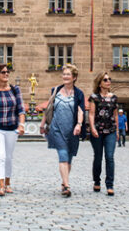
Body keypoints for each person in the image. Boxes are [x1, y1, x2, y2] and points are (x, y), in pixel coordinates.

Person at [40, 64, 85, 197]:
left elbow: (80, 110)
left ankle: (64, 181)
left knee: (69, 158)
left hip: (71, 130)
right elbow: (49, 108)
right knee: (63, 155)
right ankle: (67, 185)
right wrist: (43, 125)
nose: (65, 76)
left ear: (74, 77)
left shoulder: (79, 93)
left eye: (68, 74)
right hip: (56, 128)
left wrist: (79, 124)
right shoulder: (56, 90)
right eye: (64, 74)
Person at [0, 64, 26, 196]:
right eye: (3, 72)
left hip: (12, 128)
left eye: (7, 72)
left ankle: (8, 183)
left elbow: (21, 109)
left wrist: (22, 125)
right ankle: (1, 185)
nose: (6, 74)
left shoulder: (15, 90)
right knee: (0, 156)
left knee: (8, 157)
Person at [89, 72, 118, 195]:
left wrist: (116, 130)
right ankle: (97, 181)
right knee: (98, 157)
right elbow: (91, 114)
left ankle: (110, 184)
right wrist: (92, 128)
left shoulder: (114, 97)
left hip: (110, 130)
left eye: (109, 79)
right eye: (105, 80)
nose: (108, 81)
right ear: (100, 83)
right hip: (97, 130)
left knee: (110, 157)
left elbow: (115, 114)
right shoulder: (94, 97)